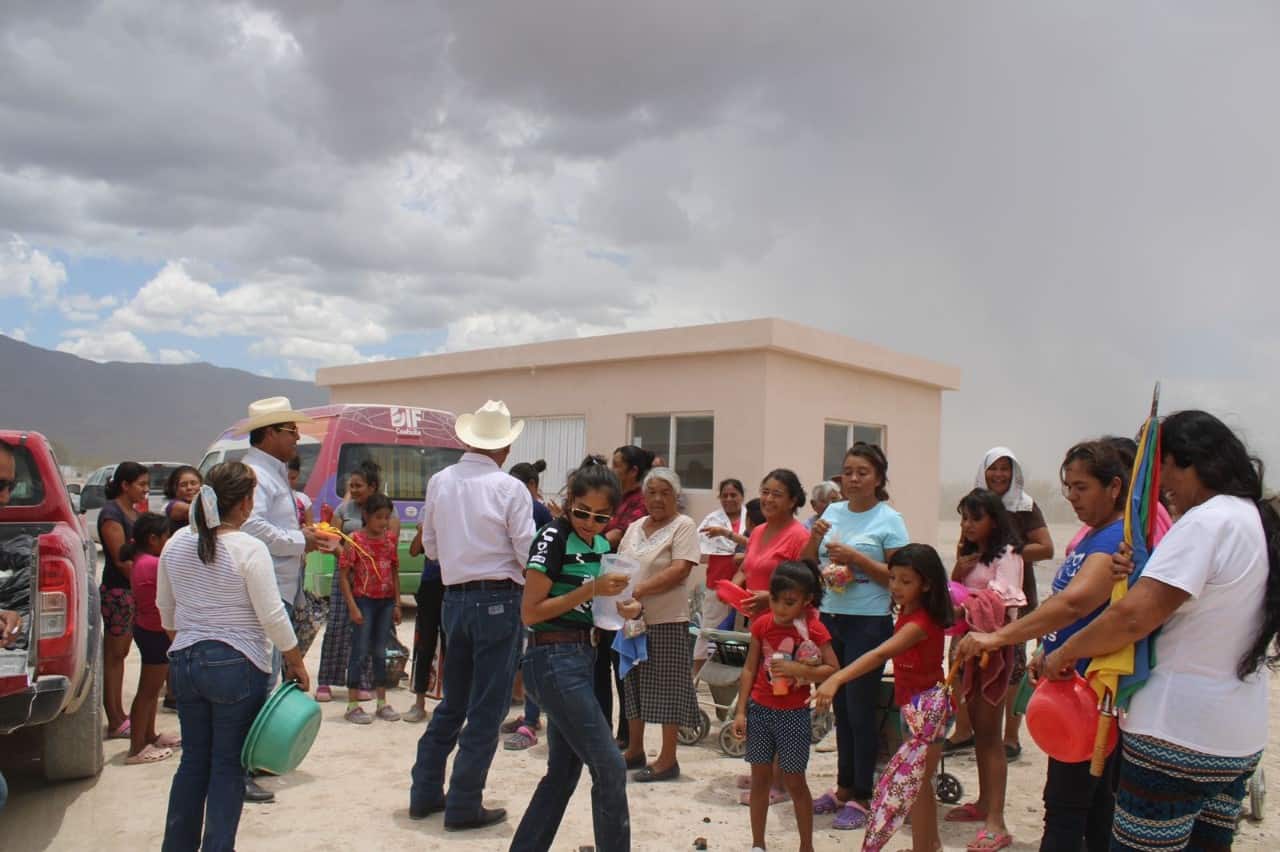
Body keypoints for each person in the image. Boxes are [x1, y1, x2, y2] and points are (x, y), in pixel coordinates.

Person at [1040, 412, 1280, 852]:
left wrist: (1064, 653)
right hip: (1237, 741)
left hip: (1177, 738)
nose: (1156, 487)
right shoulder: (1254, 519)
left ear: (1187, 462)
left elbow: (1134, 617)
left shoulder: (1206, 522)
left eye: (1160, 471)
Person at [956, 440, 1129, 851]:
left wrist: (998, 636)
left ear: (1115, 488)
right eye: (1068, 486)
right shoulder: (1095, 536)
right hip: (1071, 686)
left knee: (1069, 806)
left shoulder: (1111, 541)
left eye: (1081, 487)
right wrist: (1045, 648)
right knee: (1087, 803)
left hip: (1092, 692)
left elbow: (1074, 603)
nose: (1071, 497)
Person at [159, 462, 310, 852]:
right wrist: (295, 660)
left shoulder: (175, 544)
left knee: (193, 761)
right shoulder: (248, 547)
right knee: (227, 766)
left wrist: (190, 644)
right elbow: (272, 615)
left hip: (185, 662)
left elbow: (166, 610)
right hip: (236, 665)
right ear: (245, 503)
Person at [409, 400, 534, 831]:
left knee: (454, 701)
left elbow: (431, 546)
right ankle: (464, 801)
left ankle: (424, 791)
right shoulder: (509, 488)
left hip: (454, 599)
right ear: (505, 446)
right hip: (497, 598)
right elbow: (526, 551)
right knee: (486, 706)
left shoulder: (440, 481)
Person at [509, 461, 634, 852]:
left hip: (583, 656)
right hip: (553, 659)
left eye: (601, 516)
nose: (590, 523)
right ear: (569, 504)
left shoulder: (601, 546)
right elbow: (531, 612)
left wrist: (626, 608)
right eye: (582, 512)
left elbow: (599, 608)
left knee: (563, 772)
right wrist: (592, 589)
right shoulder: (552, 537)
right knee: (610, 767)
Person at [814, 544, 955, 852]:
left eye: (906, 581)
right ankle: (929, 845)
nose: (896, 587)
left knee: (917, 787)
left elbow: (880, 654)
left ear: (926, 584)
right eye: (893, 578)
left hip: (927, 712)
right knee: (921, 787)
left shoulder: (919, 623)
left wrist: (837, 677)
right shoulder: (908, 612)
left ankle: (924, 847)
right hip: (913, 709)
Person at [801, 442, 908, 830]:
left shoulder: (889, 519)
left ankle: (863, 794)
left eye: (862, 472)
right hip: (832, 618)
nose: (854, 479)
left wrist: (858, 560)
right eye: (848, 471)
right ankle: (844, 787)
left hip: (869, 621)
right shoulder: (832, 511)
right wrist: (814, 538)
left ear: (878, 478)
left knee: (861, 709)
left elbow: (899, 578)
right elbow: (807, 561)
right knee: (840, 708)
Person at [237, 396, 328, 803]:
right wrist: (298, 539)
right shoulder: (256, 475)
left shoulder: (271, 473)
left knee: (268, 676)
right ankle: (242, 767)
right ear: (271, 433)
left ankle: (252, 760)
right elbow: (250, 524)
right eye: (292, 431)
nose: (297, 439)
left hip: (282, 587)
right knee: (260, 680)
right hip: (265, 589)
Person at [949, 448, 1055, 760]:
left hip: (1007, 614)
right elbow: (959, 575)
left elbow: (1046, 549)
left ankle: (1010, 737)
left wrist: (1009, 552)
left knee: (1009, 678)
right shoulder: (974, 513)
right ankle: (965, 729)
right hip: (969, 622)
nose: (999, 474)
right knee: (960, 676)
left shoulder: (1025, 508)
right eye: (992, 468)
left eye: (1004, 468)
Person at [733, 561, 838, 852]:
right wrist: (741, 710)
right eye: (776, 599)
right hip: (760, 710)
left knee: (794, 781)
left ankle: (806, 845)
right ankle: (758, 844)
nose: (780, 608)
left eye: (790, 602)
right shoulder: (763, 624)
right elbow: (749, 669)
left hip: (793, 713)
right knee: (760, 781)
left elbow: (832, 669)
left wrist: (796, 669)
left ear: (806, 601)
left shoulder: (814, 630)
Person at [944, 489, 1025, 851]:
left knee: (991, 735)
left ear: (994, 519)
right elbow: (952, 594)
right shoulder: (970, 555)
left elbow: (1004, 602)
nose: (968, 525)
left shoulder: (1008, 553)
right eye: (963, 518)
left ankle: (997, 820)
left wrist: (964, 608)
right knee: (977, 730)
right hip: (964, 649)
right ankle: (982, 804)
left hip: (992, 652)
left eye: (975, 518)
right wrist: (958, 571)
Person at [617, 467, 702, 783]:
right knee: (633, 683)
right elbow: (621, 564)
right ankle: (635, 750)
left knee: (668, 688)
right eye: (651, 492)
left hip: (666, 620)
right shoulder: (636, 526)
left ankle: (668, 759)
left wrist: (638, 591)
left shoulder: (683, 525)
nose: (657, 498)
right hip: (631, 620)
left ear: (676, 496)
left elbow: (680, 570)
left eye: (665, 492)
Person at [317, 459, 396, 702]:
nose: (353, 490)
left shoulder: (387, 512)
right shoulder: (343, 511)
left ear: (372, 487)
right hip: (347, 579)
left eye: (358, 485)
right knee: (337, 628)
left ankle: (364, 682)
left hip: (373, 586)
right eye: (351, 485)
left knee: (368, 635)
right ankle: (326, 682)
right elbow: (332, 541)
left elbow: (389, 550)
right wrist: (350, 557)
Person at [602, 444, 655, 747]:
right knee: (604, 663)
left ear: (633, 470)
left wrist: (590, 541)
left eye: (617, 464)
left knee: (624, 664)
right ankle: (604, 727)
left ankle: (626, 734)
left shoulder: (639, 505)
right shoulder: (614, 499)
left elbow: (615, 537)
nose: (613, 469)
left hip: (628, 595)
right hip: (606, 590)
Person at [338, 493, 402, 724]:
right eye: (379, 517)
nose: (383, 522)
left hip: (385, 603)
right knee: (359, 651)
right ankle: (353, 704)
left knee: (379, 652)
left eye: (386, 517)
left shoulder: (389, 541)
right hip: (364, 601)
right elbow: (344, 577)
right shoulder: (354, 540)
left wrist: (396, 603)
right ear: (366, 515)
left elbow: (394, 572)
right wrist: (353, 607)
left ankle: (382, 702)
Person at [504, 459, 553, 750]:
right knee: (523, 656)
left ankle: (532, 719)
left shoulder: (534, 510)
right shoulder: (534, 509)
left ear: (532, 487)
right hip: (522, 590)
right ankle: (529, 715)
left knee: (529, 656)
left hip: (529, 592)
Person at [99, 461, 150, 740]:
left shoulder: (132, 511)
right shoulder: (111, 514)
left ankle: (120, 714)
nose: (145, 489)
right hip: (119, 592)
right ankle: (115, 716)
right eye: (141, 484)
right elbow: (121, 559)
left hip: (131, 592)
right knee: (114, 655)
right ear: (125, 485)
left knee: (122, 653)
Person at [124, 512, 179, 765]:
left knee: (151, 688)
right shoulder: (152, 565)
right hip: (155, 632)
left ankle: (149, 734)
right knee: (147, 691)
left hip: (150, 629)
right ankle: (137, 748)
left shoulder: (142, 560)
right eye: (167, 536)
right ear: (153, 538)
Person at [734, 470, 810, 617]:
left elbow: (805, 588)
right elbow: (745, 569)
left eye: (777, 495)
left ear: (792, 501)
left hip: (784, 625)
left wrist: (770, 598)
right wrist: (731, 588)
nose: (768, 499)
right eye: (765, 492)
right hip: (755, 621)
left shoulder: (800, 537)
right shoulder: (757, 532)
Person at [694, 477, 747, 673]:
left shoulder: (750, 517)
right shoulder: (711, 520)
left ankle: (729, 675)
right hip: (716, 584)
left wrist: (727, 537)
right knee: (708, 630)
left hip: (744, 588)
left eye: (733, 495)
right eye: (724, 495)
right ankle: (696, 676)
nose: (729, 499)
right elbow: (699, 551)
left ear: (742, 496)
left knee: (737, 633)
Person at [404, 522, 444, 724]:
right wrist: (423, 530)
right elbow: (413, 551)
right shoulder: (430, 518)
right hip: (430, 586)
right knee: (425, 644)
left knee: (455, 646)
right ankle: (419, 702)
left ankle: (451, 703)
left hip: (454, 586)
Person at [162, 466, 203, 533]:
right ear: (175, 488)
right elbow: (200, 512)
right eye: (183, 485)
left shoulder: (201, 501)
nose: (189, 488)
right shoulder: (174, 505)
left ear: (201, 485)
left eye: (193, 483)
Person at [287, 456, 313, 526]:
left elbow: (310, 526)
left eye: (293, 478)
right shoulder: (273, 497)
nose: (289, 482)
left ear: (298, 475)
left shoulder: (303, 499)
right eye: (285, 478)